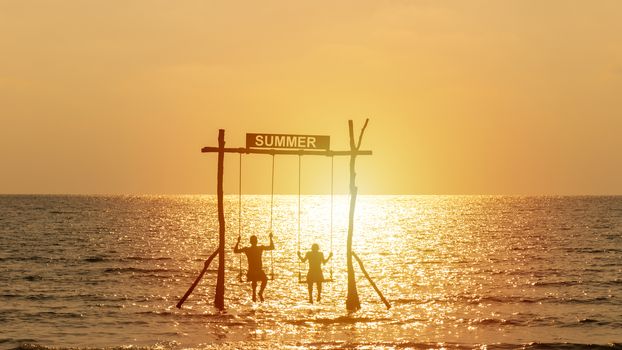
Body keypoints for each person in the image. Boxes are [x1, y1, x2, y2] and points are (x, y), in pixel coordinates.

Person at [234, 232, 274, 302]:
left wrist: (238, 242)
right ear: (256, 241)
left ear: (250, 242)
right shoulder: (260, 248)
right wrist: (270, 238)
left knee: (257, 279)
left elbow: (236, 251)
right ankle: (259, 293)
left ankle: (255, 294)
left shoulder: (247, 249)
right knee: (264, 279)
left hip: (252, 271)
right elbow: (272, 247)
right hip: (256, 271)